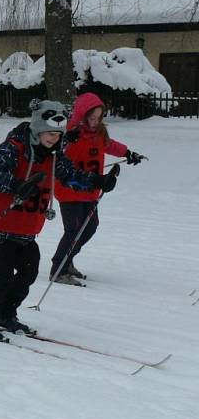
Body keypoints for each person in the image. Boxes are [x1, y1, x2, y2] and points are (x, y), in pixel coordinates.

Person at [0, 100, 121, 341]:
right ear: (38, 130)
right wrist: (17, 185)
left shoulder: (54, 156)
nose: (54, 139)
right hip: (1, 222)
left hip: (28, 227)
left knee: (29, 271)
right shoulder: (14, 147)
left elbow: (70, 176)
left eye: (58, 135)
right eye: (49, 133)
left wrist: (98, 181)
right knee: (3, 272)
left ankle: (4, 315)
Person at [50, 92, 145, 285]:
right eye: (91, 118)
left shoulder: (99, 134)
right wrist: (67, 138)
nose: (94, 122)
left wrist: (128, 153)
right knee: (73, 229)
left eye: (98, 118)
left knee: (90, 227)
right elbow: (53, 150)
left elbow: (110, 146)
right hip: (70, 189)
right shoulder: (70, 131)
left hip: (91, 190)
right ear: (81, 115)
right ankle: (58, 269)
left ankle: (67, 262)